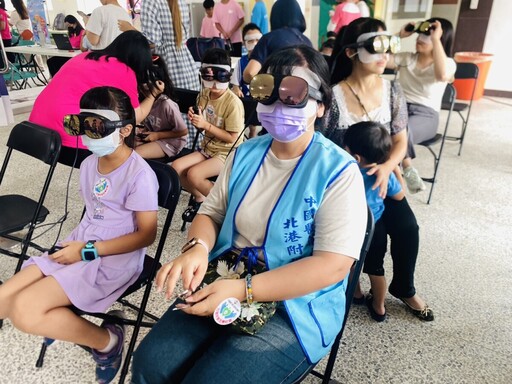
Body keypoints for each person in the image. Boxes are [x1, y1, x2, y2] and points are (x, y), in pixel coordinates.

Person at [131, 45, 367, 384]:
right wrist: (198, 246)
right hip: (225, 276)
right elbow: (210, 213)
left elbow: (333, 265)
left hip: (294, 306)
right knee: (150, 365)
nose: (277, 105)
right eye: (267, 92)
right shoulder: (246, 153)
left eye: (294, 94)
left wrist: (244, 290)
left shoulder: (338, 172)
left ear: (321, 106)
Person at [0, 86, 159, 384]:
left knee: (25, 312)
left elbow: (146, 236)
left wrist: (88, 251)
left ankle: (108, 342)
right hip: (78, 244)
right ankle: (61, 320)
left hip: (113, 259)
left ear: (124, 130)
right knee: (4, 300)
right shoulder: (89, 164)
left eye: (96, 127)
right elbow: (95, 215)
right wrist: (79, 248)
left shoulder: (140, 176)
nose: (88, 134)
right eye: (82, 124)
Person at [325, 17, 434, 321]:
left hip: (385, 178)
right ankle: (355, 282)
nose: (385, 54)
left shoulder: (392, 90)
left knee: (408, 229)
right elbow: (325, 148)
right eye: (376, 46)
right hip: (348, 184)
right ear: (350, 52)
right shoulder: (334, 97)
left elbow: (401, 140)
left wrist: (387, 167)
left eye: (390, 45)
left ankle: (404, 287)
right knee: (372, 236)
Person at [29, 30, 163, 167]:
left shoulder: (84, 56)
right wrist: (153, 94)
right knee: (124, 143)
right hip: (68, 142)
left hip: (36, 133)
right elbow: (136, 117)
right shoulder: (124, 70)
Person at [343, 121, 431, 322]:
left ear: (356, 157)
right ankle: (379, 306)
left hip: (351, 227)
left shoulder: (347, 172)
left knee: (350, 263)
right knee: (375, 268)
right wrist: (396, 177)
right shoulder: (385, 176)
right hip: (376, 227)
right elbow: (399, 197)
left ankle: (355, 294)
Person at [171, 48, 244, 223]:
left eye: (220, 79)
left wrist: (206, 125)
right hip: (207, 148)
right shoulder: (204, 94)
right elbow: (203, 122)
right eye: (209, 79)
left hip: (227, 153)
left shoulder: (232, 103)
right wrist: (196, 116)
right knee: (176, 168)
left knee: (195, 175)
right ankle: (201, 198)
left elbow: (233, 138)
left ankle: (223, 210)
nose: (214, 86)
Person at [119, 0, 200, 147]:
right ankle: (189, 150)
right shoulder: (180, 2)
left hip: (166, 65)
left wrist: (130, 29)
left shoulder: (151, 1)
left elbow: (151, 40)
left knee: (167, 113)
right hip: (187, 64)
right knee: (187, 112)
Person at [391, 18, 456, 194]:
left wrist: (435, 39)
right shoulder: (406, 58)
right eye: (420, 33)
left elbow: (442, 75)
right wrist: (400, 35)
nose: (420, 38)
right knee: (381, 127)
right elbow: (378, 56)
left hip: (427, 116)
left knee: (401, 130)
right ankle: (402, 169)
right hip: (399, 109)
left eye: (428, 35)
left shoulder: (448, 63)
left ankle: (405, 167)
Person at [243, 0, 312, 84]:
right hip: (304, 93)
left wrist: (267, 85)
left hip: (277, 93)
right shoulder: (307, 41)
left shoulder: (269, 39)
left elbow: (249, 73)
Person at [135, 56, 188, 159]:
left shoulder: (166, 104)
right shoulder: (144, 100)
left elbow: (183, 131)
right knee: (123, 149)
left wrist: (157, 136)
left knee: (135, 154)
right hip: (153, 136)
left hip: (171, 142)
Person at [231, 22, 262, 138]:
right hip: (246, 101)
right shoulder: (241, 62)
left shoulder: (267, 61)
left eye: (257, 40)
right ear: (244, 42)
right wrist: (236, 88)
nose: (254, 44)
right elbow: (235, 84)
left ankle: (254, 132)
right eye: (250, 41)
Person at [0, 0, 13, 66]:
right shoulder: (2, 11)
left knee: (6, 56)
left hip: (3, 37)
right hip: (6, 36)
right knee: (8, 55)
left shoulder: (0, 11)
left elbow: (2, 27)